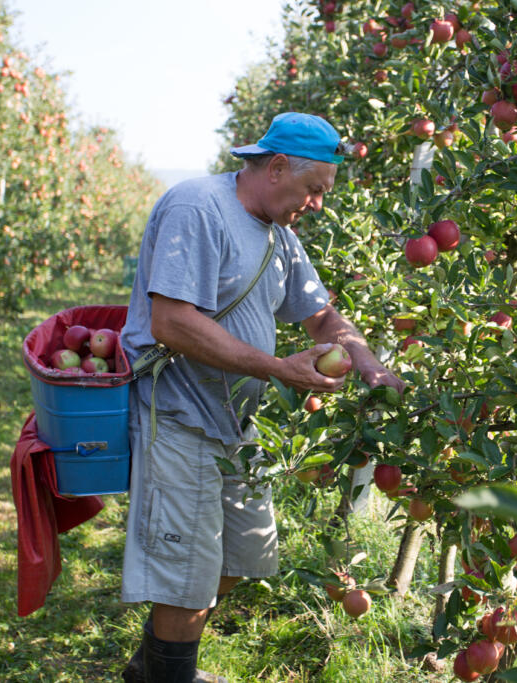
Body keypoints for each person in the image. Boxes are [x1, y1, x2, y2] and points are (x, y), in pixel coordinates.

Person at [117, 112, 404, 683]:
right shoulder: (198, 209)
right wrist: (277, 368)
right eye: (314, 190)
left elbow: (319, 314)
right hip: (176, 416)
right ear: (276, 168)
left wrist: (371, 364)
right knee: (188, 576)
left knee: (240, 560)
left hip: (234, 424)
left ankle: (152, 667)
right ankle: (170, 675)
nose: (318, 204)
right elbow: (172, 322)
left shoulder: (281, 237)